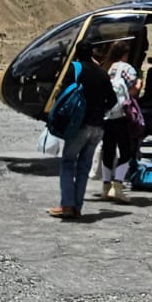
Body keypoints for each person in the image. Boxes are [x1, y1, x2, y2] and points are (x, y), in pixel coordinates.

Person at [47, 40, 118, 220]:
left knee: (68, 162)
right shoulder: (102, 73)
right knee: (84, 167)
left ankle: (67, 206)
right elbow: (113, 101)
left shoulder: (75, 69)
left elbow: (63, 94)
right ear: (93, 53)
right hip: (97, 127)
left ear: (77, 53)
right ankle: (77, 208)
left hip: (79, 125)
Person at [98, 40, 141, 202]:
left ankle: (106, 187)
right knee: (126, 151)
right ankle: (118, 186)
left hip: (107, 116)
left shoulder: (108, 68)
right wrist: (140, 82)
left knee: (108, 151)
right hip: (122, 116)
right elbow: (134, 91)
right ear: (125, 54)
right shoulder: (127, 68)